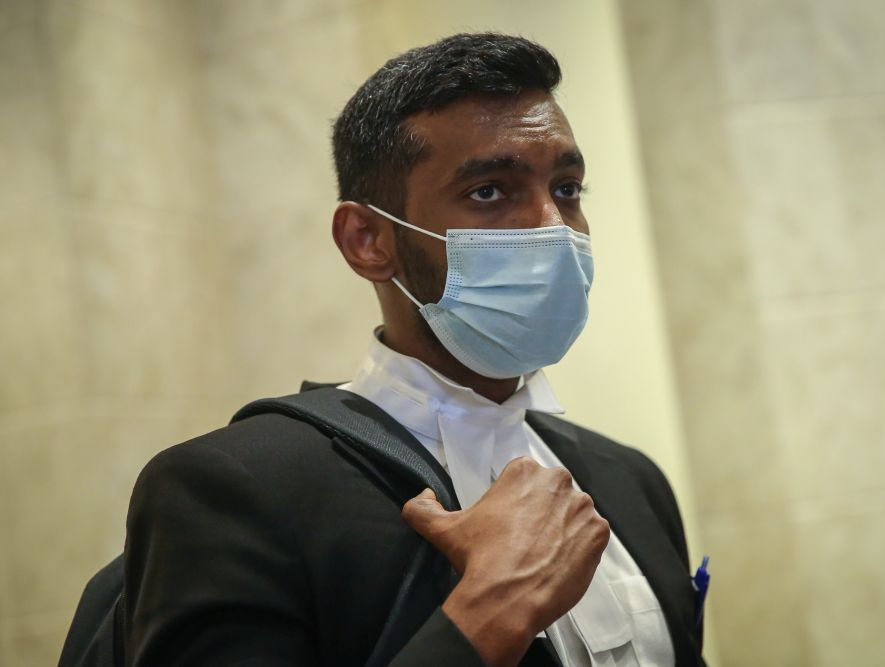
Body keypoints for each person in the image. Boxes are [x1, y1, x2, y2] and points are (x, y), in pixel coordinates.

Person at [121, 33, 706, 667]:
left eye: (567, 189)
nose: (552, 228)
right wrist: (487, 614)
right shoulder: (240, 488)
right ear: (368, 240)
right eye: (490, 191)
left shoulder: (630, 479)